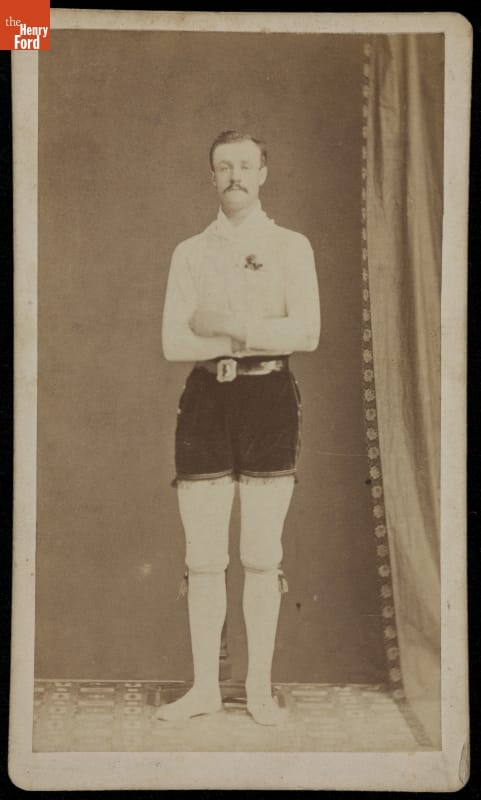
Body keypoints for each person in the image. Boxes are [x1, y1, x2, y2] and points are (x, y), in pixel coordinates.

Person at [157, 130, 321, 726]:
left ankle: (257, 690)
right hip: (206, 401)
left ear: (263, 173)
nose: (234, 176)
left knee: (260, 553)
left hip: (270, 401)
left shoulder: (291, 247)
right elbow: (174, 342)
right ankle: (205, 687)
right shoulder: (189, 253)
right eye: (223, 166)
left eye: (245, 166)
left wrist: (225, 323)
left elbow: (307, 333)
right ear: (211, 176)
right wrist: (249, 332)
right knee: (203, 556)